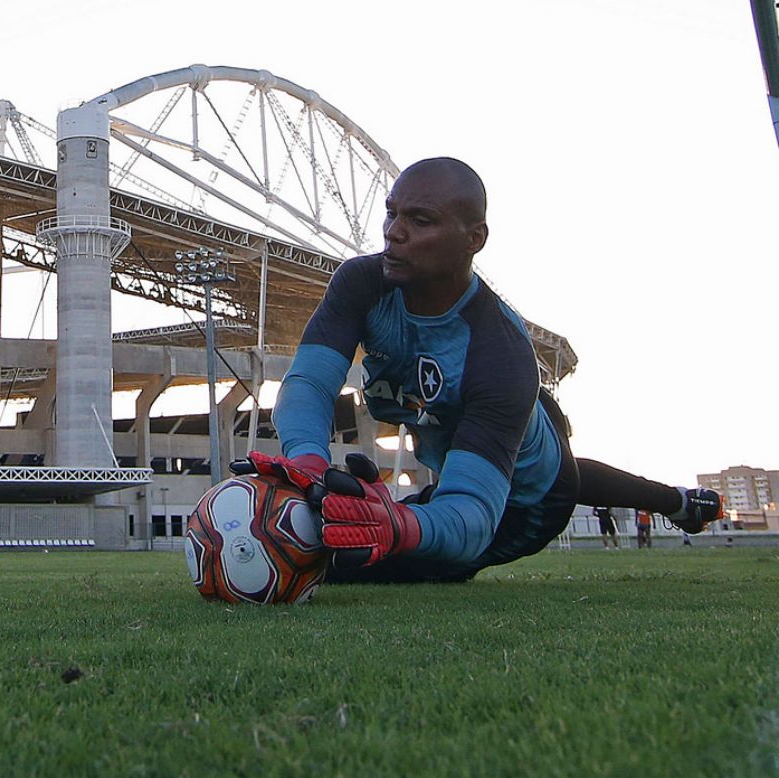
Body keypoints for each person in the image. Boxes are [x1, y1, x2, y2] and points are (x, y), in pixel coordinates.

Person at [244, 158, 722, 584]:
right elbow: (309, 381)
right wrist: (305, 463)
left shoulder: (499, 353)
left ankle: (677, 502)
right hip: (487, 438)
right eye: (392, 211)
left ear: (474, 239)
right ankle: (679, 502)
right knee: (549, 464)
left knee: (350, 561)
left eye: (420, 219)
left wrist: (398, 526)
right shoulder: (363, 281)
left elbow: (469, 518)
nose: (393, 231)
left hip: (523, 507)